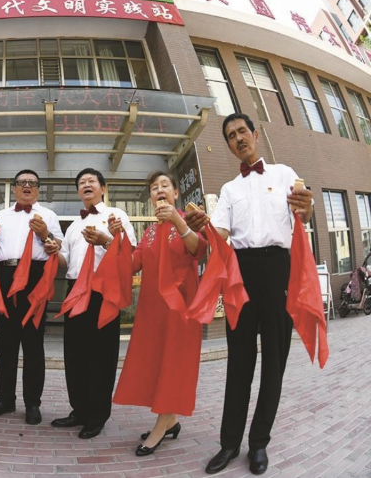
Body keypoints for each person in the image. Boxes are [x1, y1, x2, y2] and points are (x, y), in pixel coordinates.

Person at [185, 113, 313, 475]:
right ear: (228, 145)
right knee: (239, 362)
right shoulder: (229, 190)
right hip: (239, 274)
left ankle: (259, 444)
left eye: (242, 131)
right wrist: (200, 226)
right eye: (231, 135)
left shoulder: (284, 174)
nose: (238, 138)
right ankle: (229, 443)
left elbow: (304, 212)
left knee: (274, 362)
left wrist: (309, 207)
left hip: (278, 270)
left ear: (255, 134)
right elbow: (219, 237)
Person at [112, 172, 207, 455]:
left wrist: (178, 220)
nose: (159, 190)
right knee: (159, 365)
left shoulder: (189, 220)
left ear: (176, 193)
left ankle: (159, 429)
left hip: (181, 309)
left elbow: (199, 249)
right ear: (151, 197)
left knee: (174, 366)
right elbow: (133, 263)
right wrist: (114, 240)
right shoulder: (150, 231)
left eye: (165, 185)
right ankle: (172, 422)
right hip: (153, 311)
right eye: (154, 188)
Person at [54, 168, 136, 439]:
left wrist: (107, 240)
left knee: (101, 355)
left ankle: (97, 415)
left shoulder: (117, 216)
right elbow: (65, 261)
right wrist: (52, 250)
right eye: (81, 182)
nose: (86, 185)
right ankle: (79, 410)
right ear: (78, 191)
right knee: (74, 355)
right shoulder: (73, 226)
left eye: (91, 181)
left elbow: (131, 256)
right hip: (75, 291)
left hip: (104, 291)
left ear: (103, 188)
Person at [0, 169, 63, 425]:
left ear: (38, 189)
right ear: (15, 188)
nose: (27, 185)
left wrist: (45, 234)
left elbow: (58, 248)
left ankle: (32, 403)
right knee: (5, 343)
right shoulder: (0, 216)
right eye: (22, 182)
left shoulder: (48, 215)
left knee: (33, 343)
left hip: (34, 278)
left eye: (32, 183)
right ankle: (6, 399)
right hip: (4, 276)